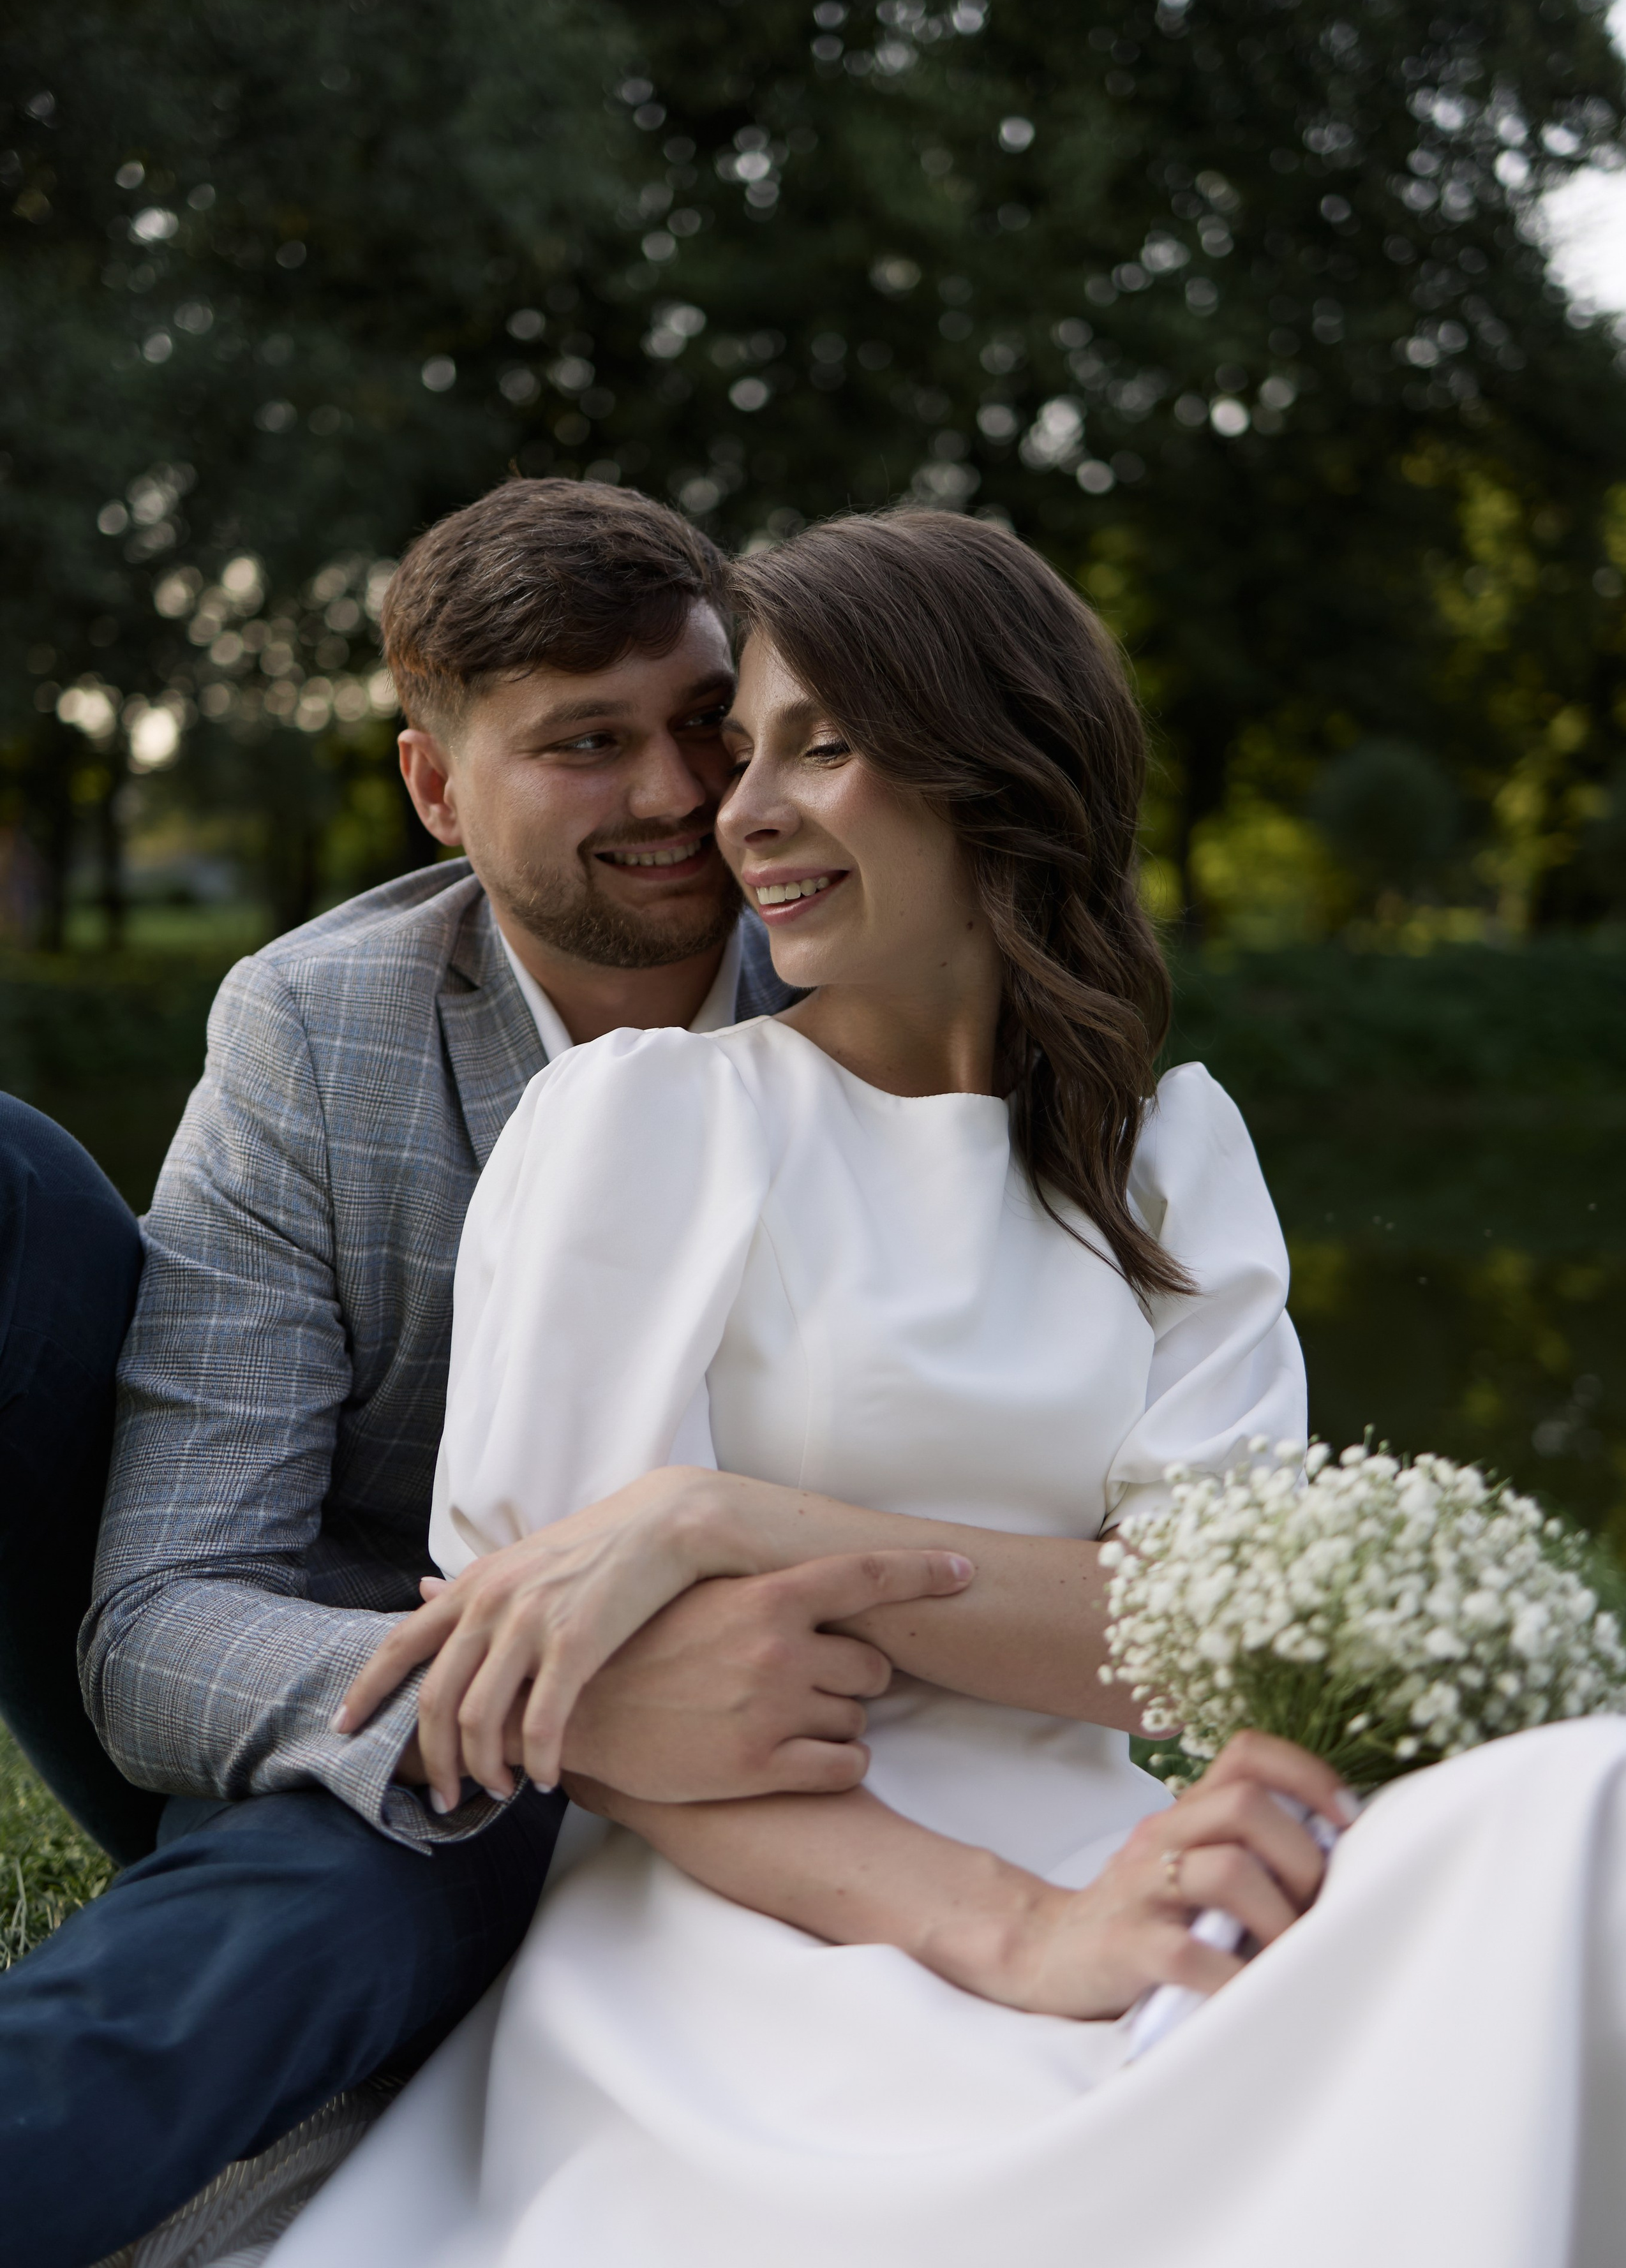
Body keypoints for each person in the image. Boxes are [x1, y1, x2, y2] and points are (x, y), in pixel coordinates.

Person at [269, 509, 1626, 2268]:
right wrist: (1017, 1931)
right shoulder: (651, 1125)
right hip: (762, 1917)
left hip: (1126, 1835)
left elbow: (1208, 1632)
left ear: (996, 769)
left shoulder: (1171, 1159)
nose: (738, 809)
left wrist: (727, 1520)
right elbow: (563, 1685)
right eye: (741, 749)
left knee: (1583, 1803)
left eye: (819, 747)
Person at [0, 479, 966, 2268]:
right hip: (367, 1708)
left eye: (703, 724)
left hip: (779, 1719)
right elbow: (156, 1620)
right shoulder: (316, 1025)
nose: (682, 797)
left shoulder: (877, 973)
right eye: (587, 747)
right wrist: (544, 1710)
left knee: (345, 1895)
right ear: (440, 791)